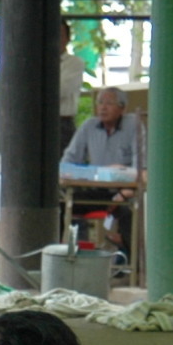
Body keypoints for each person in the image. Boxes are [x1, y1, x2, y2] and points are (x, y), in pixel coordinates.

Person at [59, 86, 142, 257]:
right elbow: (67, 163)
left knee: (128, 212)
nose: (103, 107)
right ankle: (59, 256)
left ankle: (131, 262)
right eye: (100, 103)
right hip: (96, 190)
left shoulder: (133, 125)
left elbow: (142, 168)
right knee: (58, 205)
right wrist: (94, 172)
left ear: (122, 108)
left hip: (123, 192)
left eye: (109, 103)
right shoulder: (89, 126)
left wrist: (126, 190)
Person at [58, 20, 85, 145]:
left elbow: (61, 90)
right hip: (34, 121)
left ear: (67, 39)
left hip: (62, 123)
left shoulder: (75, 63)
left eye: (60, 35)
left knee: (63, 162)